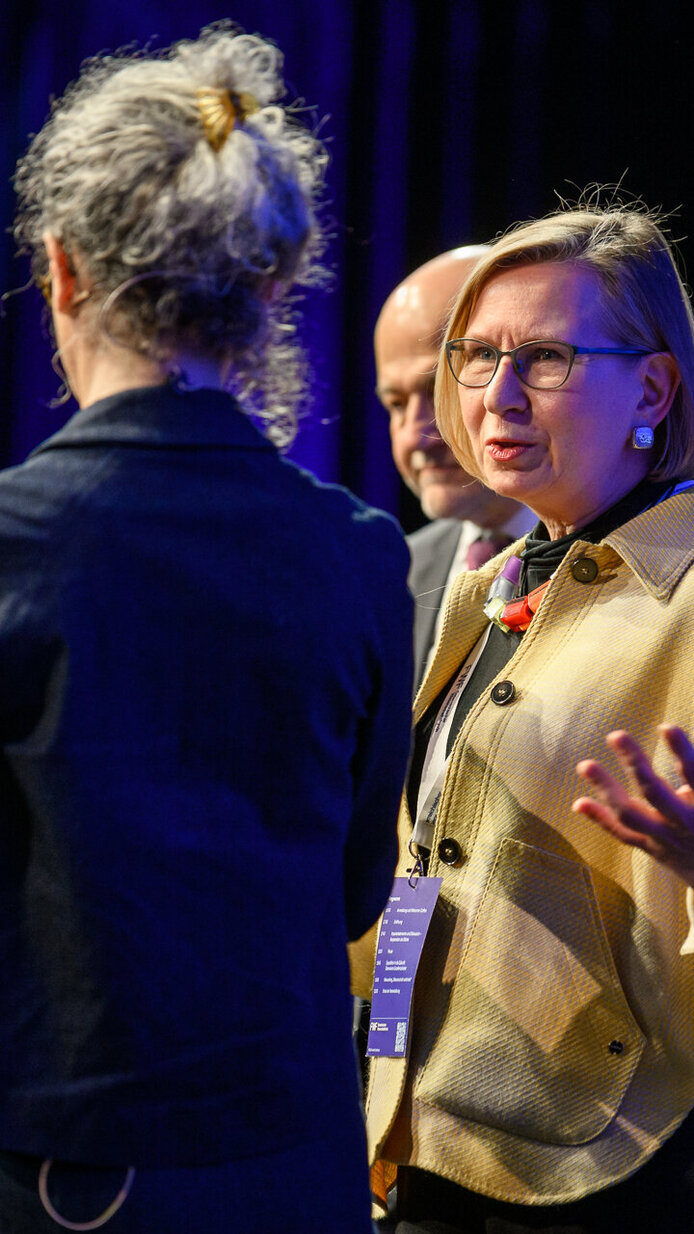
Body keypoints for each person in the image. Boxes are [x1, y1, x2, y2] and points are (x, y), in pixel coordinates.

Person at [0, 25, 413, 1234]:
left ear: (62, 273)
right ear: (272, 293)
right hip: (299, 1171)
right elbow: (353, 887)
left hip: (62, 1182)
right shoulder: (357, 549)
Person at [364, 202, 694, 1233]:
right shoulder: (492, 583)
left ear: (651, 385)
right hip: (424, 1143)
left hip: (602, 1177)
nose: (494, 394)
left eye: (544, 358)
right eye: (476, 355)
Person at [375, 248, 532, 690]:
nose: (412, 436)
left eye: (436, 389)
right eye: (396, 405)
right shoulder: (393, 572)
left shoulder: (631, 557)